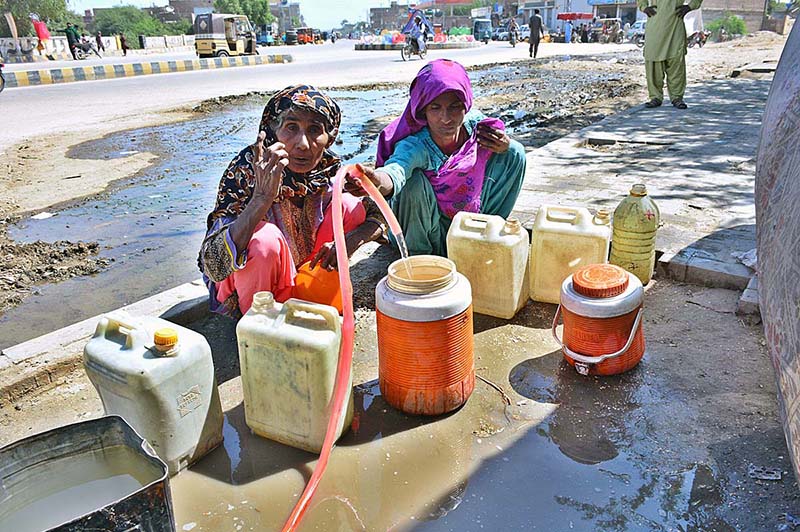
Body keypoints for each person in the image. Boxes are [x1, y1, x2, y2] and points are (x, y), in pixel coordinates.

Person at [198, 85, 386, 317]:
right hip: (251, 291)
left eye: (315, 130)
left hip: (301, 276)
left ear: (330, 137)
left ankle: (312, 297)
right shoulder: (248, 171)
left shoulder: (326, 170)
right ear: (272, 132)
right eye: (291, 128)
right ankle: (259, 327)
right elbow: (214, 265)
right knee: (264, 241)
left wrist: (350, 241)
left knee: (349, 205)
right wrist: (261, 199)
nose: (303, 144)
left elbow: (380, 216)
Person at [351, 59, 526, 257]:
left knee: (514, 153)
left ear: (465, 105)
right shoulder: (416, 145)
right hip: (429, 230)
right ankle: (420, 258)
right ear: (423, 110)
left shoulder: (477, 129)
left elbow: (505, 149)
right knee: (412, 182)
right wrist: (375, 181)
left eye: (454, 107)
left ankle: (485, 233)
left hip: (466, 221)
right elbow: (396, 170)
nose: (446, 118)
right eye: (435, 108)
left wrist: (504, 144)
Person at [637, 0, 702, 109]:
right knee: (653, 62)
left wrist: (689, 7)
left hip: (675, 26)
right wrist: (644, 7)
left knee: (676, 62)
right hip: (655, 26)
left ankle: (677, 98)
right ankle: (655, 97)